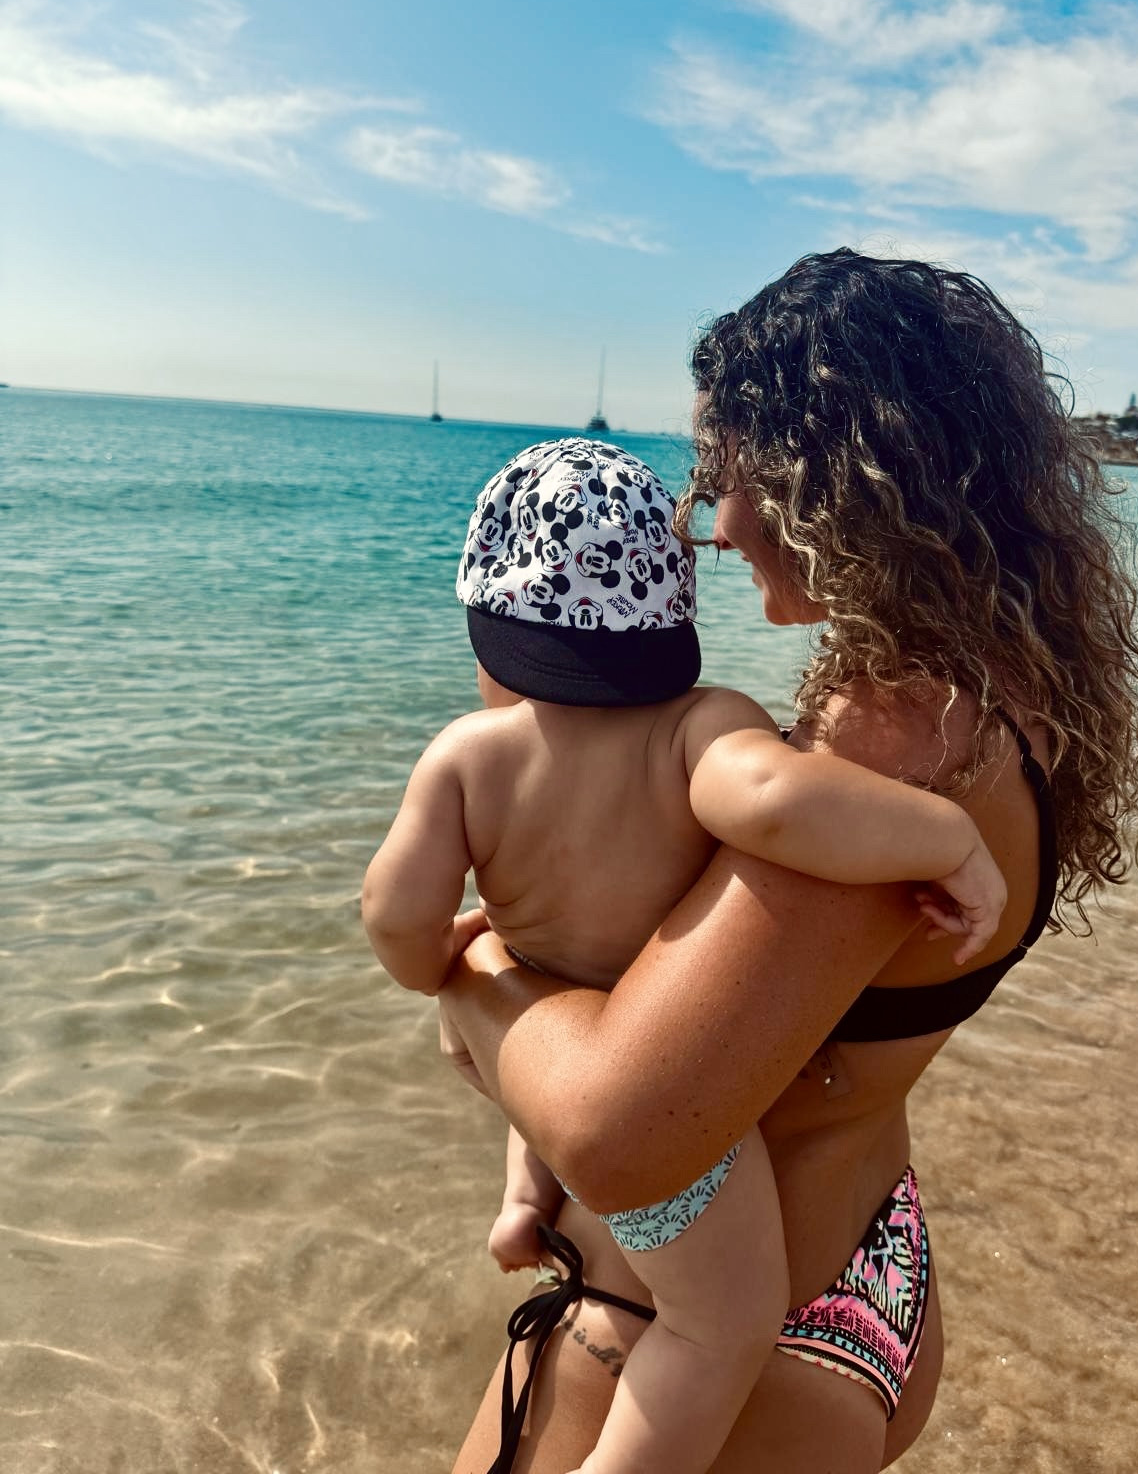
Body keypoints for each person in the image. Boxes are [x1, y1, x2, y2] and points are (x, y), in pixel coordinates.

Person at [436, 250, 1138, 1474]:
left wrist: (474, 972)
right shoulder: (1000, 695)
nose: (711, 528)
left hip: (713, 1336)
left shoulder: (906, 733)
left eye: (724, 479)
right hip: (861, 1261)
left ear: (833, 477)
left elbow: (618, 1132)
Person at [363, 436, 1006, 1474]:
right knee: (716, 1327)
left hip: (567, 1074)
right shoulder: (700, 727)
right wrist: (948, 837)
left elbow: (395, 914)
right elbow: (775, 802)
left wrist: (448, 964)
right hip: (675, 1125)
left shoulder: (466, 760)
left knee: (569, 1096)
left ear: (489, 631)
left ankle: (527, 1208)